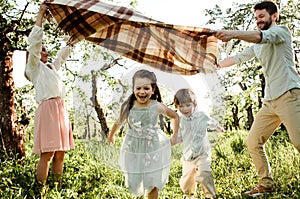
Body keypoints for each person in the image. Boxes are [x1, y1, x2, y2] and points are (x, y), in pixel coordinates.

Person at [215, 1, 300, 196]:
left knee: (298, 143)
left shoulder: (281, 32)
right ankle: (266, 185)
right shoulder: (258, 45)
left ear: (274, 15)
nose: (258, 21)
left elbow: (260, 37)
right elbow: (238, 57)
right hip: (270, 101)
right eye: (256, 18)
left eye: (262, 16)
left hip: (289, 94)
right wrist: (217, 65)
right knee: (253, 141)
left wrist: (232, 33)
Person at [108, 69, 179, 199]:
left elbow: (175, 116)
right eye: (138, 88)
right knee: (135, 179)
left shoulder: (156, 105)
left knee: (153, 179)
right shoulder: (129, 106)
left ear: (153, 90)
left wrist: (174, 136)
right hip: (133, 147)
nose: (142, 92)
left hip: (153, 147)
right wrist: (111, 135)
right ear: (133, 89)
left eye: (146, 88)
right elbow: (118, 122)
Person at [25, 3, 74, 184]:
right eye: (41, 50)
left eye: (45, 49)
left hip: (61, 110)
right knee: (48, 153)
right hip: (48, 110)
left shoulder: (52, 68)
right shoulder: (34, 69)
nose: (43, 51)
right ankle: (41, 189)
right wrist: (40, 14)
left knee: (61, 152)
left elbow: (62, 55)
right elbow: (35, 43)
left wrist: (73, 39)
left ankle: (56, 187)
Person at [172, 88, 224, 199]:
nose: (184, 109)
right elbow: (179, 137)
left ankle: (210, 195)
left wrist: (219, 128)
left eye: (188, 105)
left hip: (202, 153)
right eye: (181, 106)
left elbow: (211, 122)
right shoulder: (178, 120)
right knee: (187, 180)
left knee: (204, 174)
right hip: (188, 155)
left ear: (194, 104)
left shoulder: (201, 116)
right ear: (177, 107)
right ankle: (190, 195)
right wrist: (172, 141)